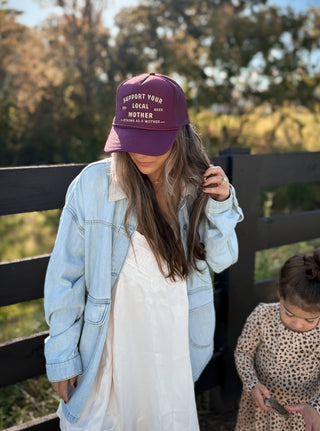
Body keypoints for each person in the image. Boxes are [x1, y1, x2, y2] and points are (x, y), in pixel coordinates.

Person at [44, 72, 244, 430]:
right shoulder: (92, 186)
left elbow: (221, 258)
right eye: (131, 139)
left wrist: (222, 205)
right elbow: (65, 277)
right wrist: (61, 355)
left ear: (179, 135)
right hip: (110, 346)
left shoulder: (196, 188)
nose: (140, 153)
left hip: (171, 344)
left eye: (154, 141)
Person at [234, 248, 320, 431]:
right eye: (289, 313)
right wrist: (252, 384)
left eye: (309, 320)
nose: (298, 324)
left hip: (302, 413)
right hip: (261, 406)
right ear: (279, 293)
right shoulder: (262, 316)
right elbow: (243, 353)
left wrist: (316, 407)